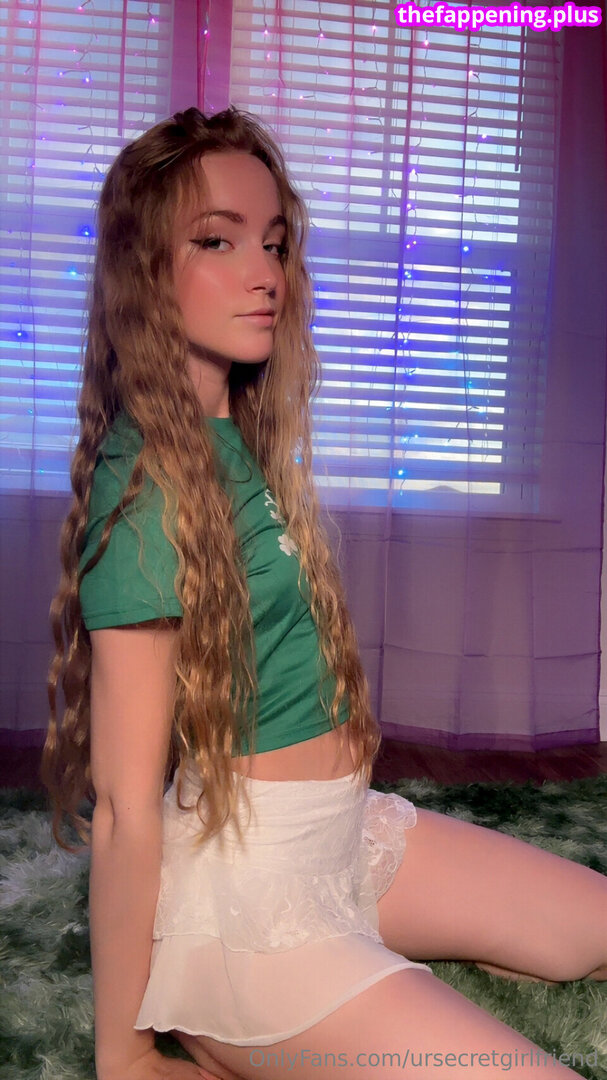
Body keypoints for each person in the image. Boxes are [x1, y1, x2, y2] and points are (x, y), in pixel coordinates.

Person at [40, 106, 606, 1080]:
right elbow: (127, 807)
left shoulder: (232, 437)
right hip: (248, 911)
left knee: (587, 930)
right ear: (144, 270)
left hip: (345, 840)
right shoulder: (143, 496)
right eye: (217, 241)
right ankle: (239, 1017)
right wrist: (125, 1056)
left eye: (273, 242)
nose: (265, 272)